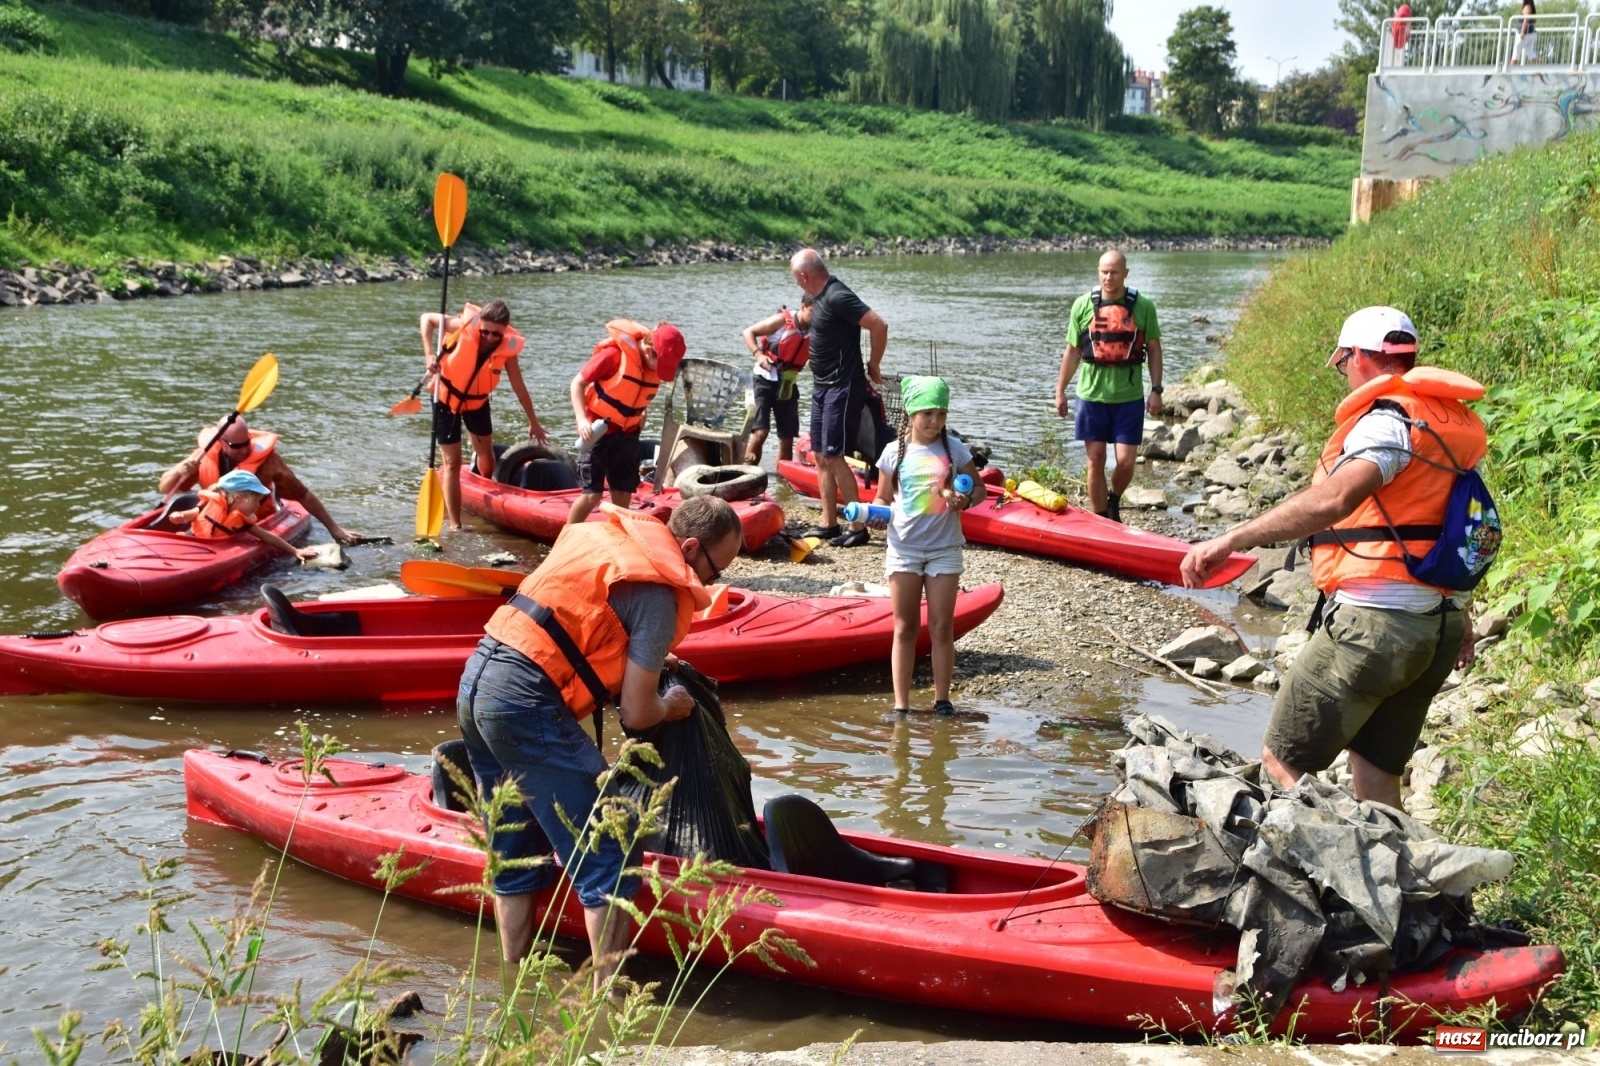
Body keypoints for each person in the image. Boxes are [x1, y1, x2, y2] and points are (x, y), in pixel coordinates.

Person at [1179, 307, 1482, 809]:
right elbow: (1454, 528)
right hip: (1439, 624)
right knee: (1376, 771)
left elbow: (1333, 501)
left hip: (1378, 621)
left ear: (1360, 357)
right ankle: (1393, 880)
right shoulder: (1450, 420)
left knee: (1283, 761)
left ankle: (1333, 873)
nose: (1344, 375)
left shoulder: (1387, 421)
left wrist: (1231, 539)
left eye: (1343, 363)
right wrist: (1462, 609)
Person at [454, 494, 744, 987]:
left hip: (477, 681)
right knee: (610, 848)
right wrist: (671, 705)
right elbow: (638, 713)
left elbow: (583, 628)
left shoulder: (611, 539)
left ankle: (514, 983)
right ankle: (607, 1005)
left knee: (515, 845)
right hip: (524, 700)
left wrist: (646, 664)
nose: (709, 585)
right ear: (691, 548)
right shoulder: (657, 594)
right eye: (714, 572)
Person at [866, 376, 986, 715]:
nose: (935, 422)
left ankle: (942, 700)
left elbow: (980, 490)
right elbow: (882, 496)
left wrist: (966, 501)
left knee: (941, 626)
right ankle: (901, 705)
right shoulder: (894, 452)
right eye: (927, 414)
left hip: (944, 548)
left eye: (941, 413)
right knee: (904, 627)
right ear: (910, 411)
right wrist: (876, 514)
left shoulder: (954, 449)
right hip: (903, 547)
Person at [1053, 249, 1165, 524]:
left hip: (1128, 396)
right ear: (1098, 272)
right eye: (1104, 271)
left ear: (1126, 273)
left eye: (1114, 271)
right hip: (1091, 396)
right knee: (1095, 459)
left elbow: (1154, 349)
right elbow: (1072, 352)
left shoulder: (1144, 306)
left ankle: (1113, 498)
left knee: (1126, 461)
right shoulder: (1082, 305)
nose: (1108, 277)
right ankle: (1101, 518)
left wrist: (1156, 389)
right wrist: (1060, 392)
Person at [418, 298, 548, 532]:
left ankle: (484, 493)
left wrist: (534, 421)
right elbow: (426, 319)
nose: (489, 337)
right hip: (446, 399)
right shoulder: (463, 324)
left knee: (486, 456)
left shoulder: (508, 350)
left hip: (477, 403)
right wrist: (429, 355)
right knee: (452, 463)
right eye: (485, 331)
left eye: (495, 334)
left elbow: (519, 387)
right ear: (480, 325)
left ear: (505, 331)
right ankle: (456, 526)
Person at [789, 248, 889, 548]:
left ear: (804, 276)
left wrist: (874, 364)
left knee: (833, 455)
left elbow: (878, 324)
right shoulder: (818, 298)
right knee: (820, 455)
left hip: (842, 386)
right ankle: (829, 522)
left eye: (796, 278)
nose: (796, 283)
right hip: (822, 386)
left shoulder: (837, 295)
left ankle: (858, 526)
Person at [158, 416, 363, 545]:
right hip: (214, 523)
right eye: (236, 446)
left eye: (247, 442)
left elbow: (302, 494)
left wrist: (334, 529)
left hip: (255, 521)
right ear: (221, 443)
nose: (245, 449)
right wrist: (178, 470)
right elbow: (165, 488)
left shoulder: (267, 462)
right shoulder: (203, 456)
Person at [567, 319, 686, 526]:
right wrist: (581, 419)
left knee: (623, 493)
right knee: (592, 495)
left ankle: (619, 536)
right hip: (598, 432)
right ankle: (566, 536)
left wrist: (643, 414)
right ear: (649, 351)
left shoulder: (652, 367)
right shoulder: (613, 356)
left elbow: (639, 394)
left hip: (629, 434)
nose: (661, 371)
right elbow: (577, 383)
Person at [167, 469, 320, 561]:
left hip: (213, 551)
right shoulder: (212, 504)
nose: (258, 506)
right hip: (190, 541)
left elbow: (266, 536)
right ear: (240, 497)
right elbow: (195, 514)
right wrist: (181, 516)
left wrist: (295, 551)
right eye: (256, 501)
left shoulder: (241, 519)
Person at [739, 295, 815, 466]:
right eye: (812, 312)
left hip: (787, 384)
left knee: (787, 438)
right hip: (764, 380)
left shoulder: (817, 329)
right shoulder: (782, 320)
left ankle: (783, 485)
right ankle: (746, 472)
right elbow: (748, 332)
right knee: (761, 432)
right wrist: (759, 355)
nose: (816, 317)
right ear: (803, 306)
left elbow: (809, 356)